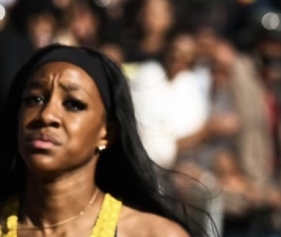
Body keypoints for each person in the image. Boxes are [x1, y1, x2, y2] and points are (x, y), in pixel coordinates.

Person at [0, 43, 205, 236]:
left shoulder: (154, 234)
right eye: (35, 99)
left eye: (73, 104)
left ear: (107, 132)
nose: (46, 115)